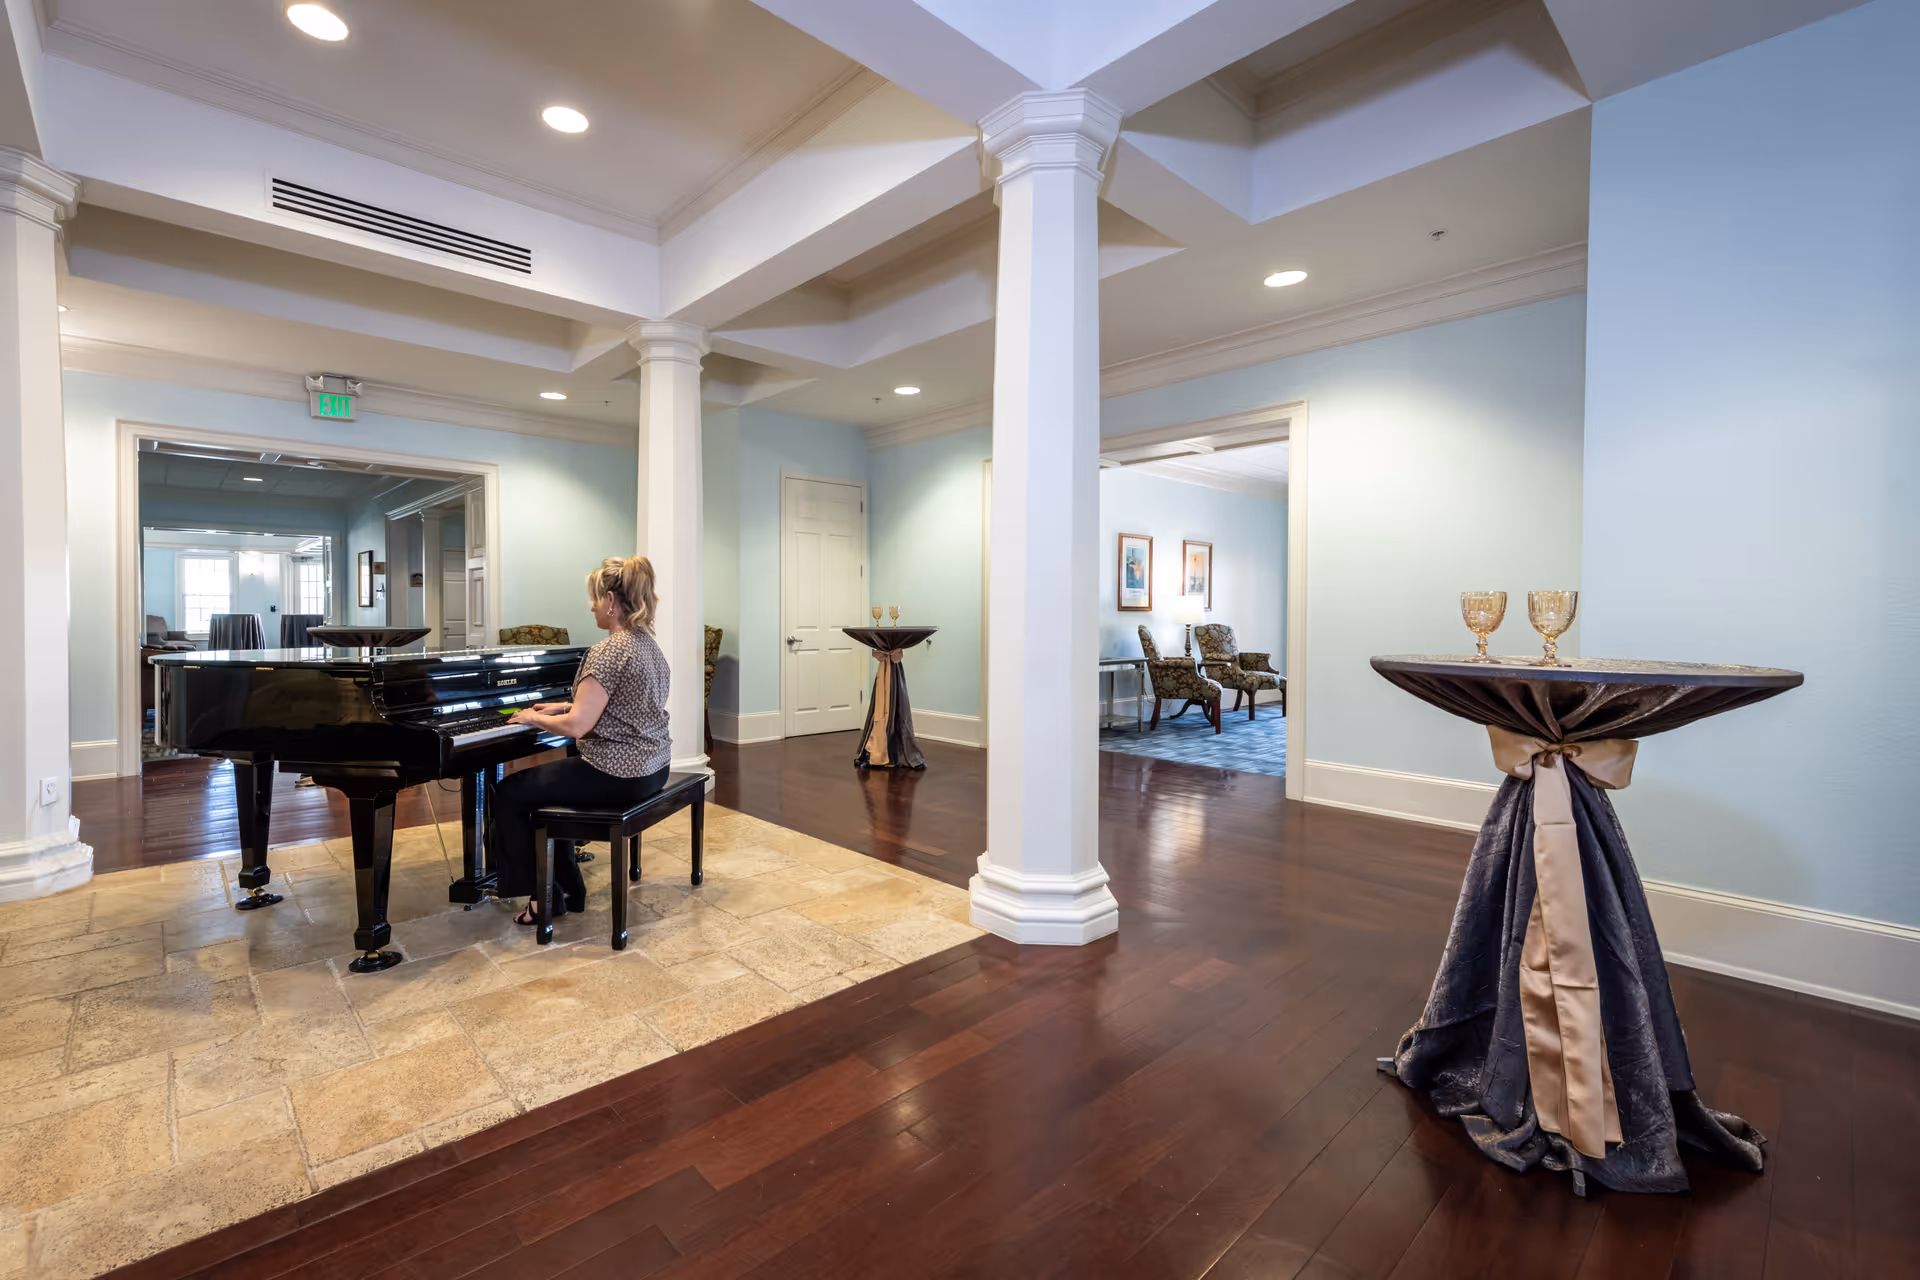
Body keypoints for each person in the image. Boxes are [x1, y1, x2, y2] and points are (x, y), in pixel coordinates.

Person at [492, 555, 673, 925]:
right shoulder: (646, 644)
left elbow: (577, 727)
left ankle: (544, 896)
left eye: (594, 598)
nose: (591, 607)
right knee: (548, 790)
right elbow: (621, 704)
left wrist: (532, 717)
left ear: (611, 600)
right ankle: (568, 889)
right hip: (654, 767)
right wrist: (563, 706)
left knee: (510, 792)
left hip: (617, 773)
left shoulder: (608, 651)